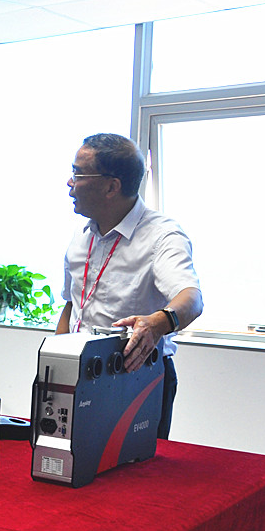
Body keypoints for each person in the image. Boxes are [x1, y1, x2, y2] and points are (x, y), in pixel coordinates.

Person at [57, 132, 203, 438]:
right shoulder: (81, 236)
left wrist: (157, 324)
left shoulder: (162, 236)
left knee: (136, 481)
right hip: (80, 370)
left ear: (111, 186)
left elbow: (191, 298)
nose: (69, 183)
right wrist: (55, 362)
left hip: (135, 377)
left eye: (78, 174)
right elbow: (71, 304)